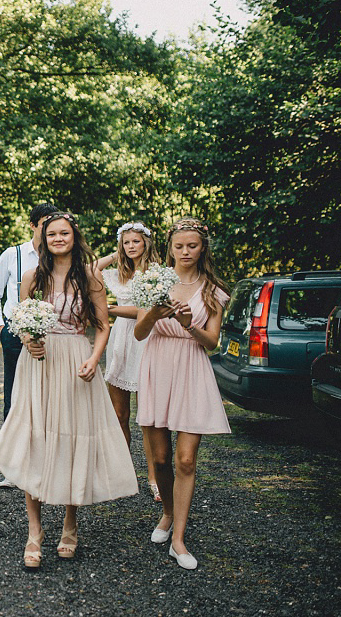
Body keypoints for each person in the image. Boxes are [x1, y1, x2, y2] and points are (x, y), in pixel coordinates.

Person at [0, 212, 138, 569]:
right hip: (38, 364)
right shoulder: (32, 277)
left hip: (75, 360)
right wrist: (29, 340)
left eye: (65, 233)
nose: (59, 238)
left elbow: (103, 326)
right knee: (36, 440)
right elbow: (21, 320)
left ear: (75, 236)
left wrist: (94, 358)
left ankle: (70, 526)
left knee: (72, 439)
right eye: (52, 233)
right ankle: (34, 531)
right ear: (43, 238)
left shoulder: (90, 276)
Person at [134, 218, 230, 570]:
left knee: (185, 460)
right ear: (170, 248)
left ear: (202, 247)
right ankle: (167, 513)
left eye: (192, 246)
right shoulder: (154, 281)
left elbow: (212, 342)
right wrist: (156, 313)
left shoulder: (213, 290)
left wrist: (191, 324)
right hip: (157, 367)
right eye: (179, 246)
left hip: (191, 369)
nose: (185, 252)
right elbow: (140, 334)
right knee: (159, 459)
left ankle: (179, 540)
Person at [0, 202, 58, 488]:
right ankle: (13, 468)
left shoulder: (62, 256)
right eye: (45, 224)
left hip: (55, 336)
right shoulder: (12, 255)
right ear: (33, 225)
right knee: (15, 397)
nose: (51, 230)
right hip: (15, 334)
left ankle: (47, 464)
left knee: (50, 396)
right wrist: (1, 327)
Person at [95, 222, 162, 501]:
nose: (131, 246)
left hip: (145, 340)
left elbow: (143, 311)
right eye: (126, 243)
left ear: (147, 242)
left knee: (147, 417)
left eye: (136, 241)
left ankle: (155, 477)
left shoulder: (157, 274)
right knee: (119, 414)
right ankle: (123, 474)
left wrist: (109, 309)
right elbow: (90, 269)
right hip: (120, 342)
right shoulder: (118, 273)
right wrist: (115, 253)